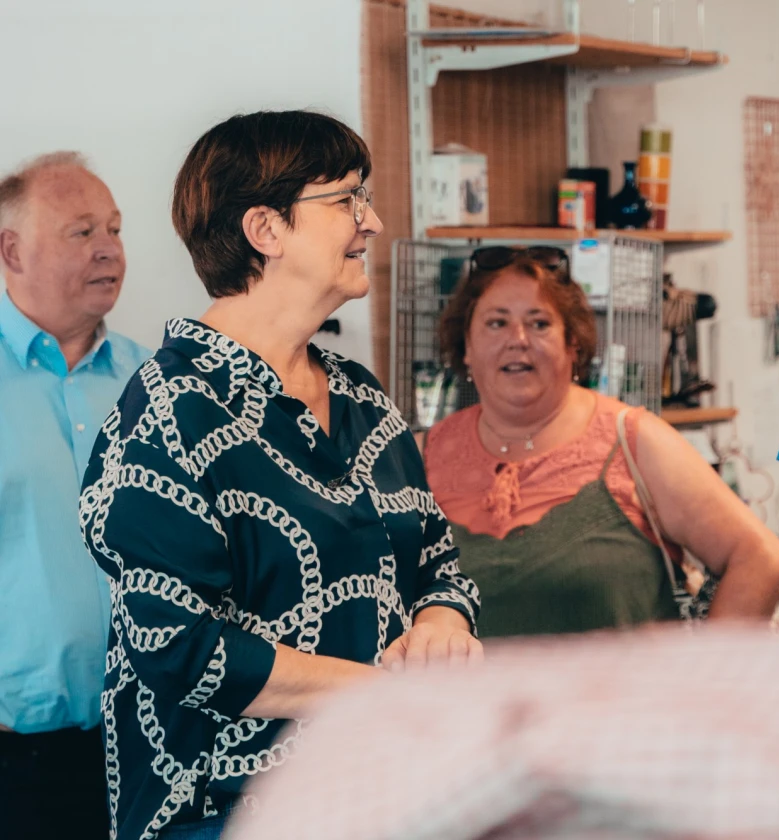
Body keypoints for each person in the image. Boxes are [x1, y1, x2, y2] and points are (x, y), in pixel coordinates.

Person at [78, 111, 480, 840]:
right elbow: (181, 648)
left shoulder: (360, 396)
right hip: (225, 815)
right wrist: (381, 693)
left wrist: (442, 624)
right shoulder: (170, 413)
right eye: (347, 201)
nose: (373, 221)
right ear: (266, 230)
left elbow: (436, 563)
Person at [420, 246, 779, 638]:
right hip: (470, 701)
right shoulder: (420, 456)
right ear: (466, 347)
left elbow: (760, 556)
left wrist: (708, 681)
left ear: (573, 346)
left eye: (540, 323)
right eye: (496, 323)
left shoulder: (633, 440)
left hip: (623, 699)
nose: (518, 339)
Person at [0, 152, 149, 840]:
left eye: (114, 230)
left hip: (149, 743)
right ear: (11, 250)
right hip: (16, 761)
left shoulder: (151, 382)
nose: (108, 250)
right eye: (81, 231)